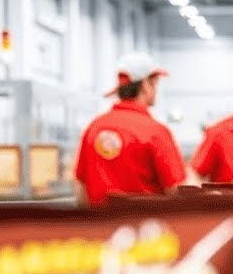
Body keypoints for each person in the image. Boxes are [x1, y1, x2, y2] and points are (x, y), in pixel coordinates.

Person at [74, 52, 186, 205]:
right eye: (155, 83)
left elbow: (81, 191)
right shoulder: (156, 132)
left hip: (99, 226)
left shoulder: (94, 128)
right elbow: (176, 190)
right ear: (146, 85)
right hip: (145, 226)